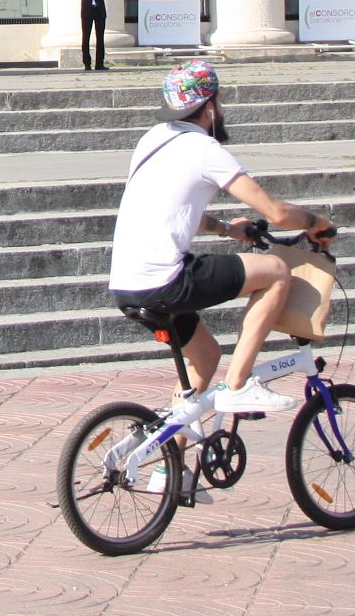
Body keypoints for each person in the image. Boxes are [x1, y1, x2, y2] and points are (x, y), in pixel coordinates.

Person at [109, 60, 337, 421]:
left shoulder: (151, 140)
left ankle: (168, 471)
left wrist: (229, 229)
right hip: (166, 281)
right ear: (211, 107)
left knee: (204, 358)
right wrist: (316, 222)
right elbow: (276, 212)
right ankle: (238, 385)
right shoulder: (204, 150)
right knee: (277, 270)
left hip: (126, 284)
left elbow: (178, 212)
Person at [76, 0, 113, 71]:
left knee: (100, 38)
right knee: (86, 37)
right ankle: (87, 63)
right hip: (87, 12)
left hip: (99, 11)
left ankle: (99, 64)